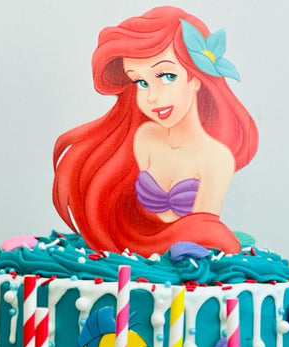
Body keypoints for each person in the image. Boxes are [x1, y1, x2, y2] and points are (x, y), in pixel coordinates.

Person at [53, 6, 258, 256]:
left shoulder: (216, 158)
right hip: (129, 249)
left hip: (180, 260)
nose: (152, 96)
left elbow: (204, 232)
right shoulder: (145, 137)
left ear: (195, 77)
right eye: (141, 82)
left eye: (166, 76)